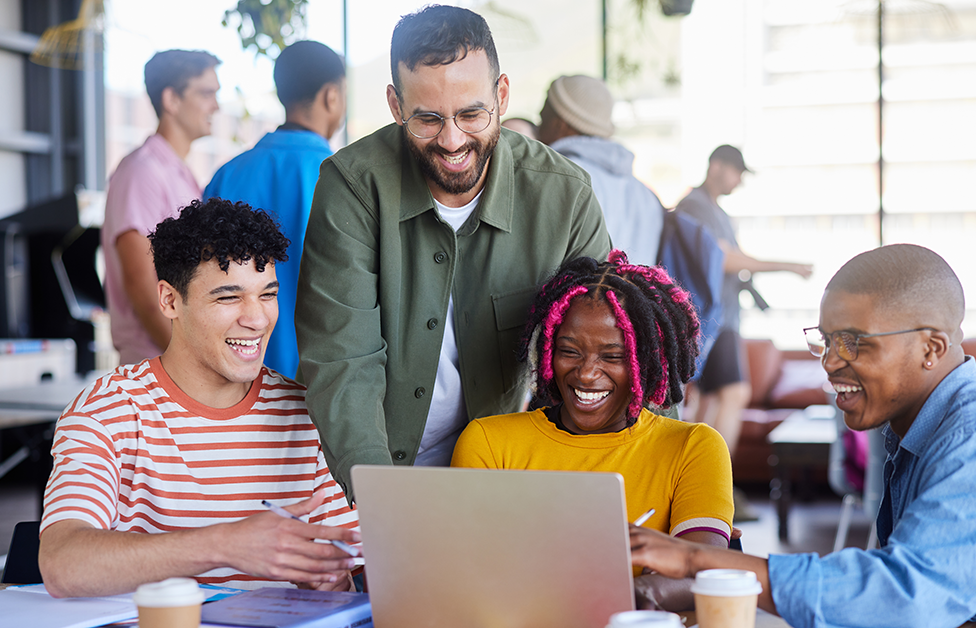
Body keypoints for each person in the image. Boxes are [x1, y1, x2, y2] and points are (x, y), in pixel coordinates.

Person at [627, 244, 976, 628]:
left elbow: (907, 598)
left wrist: (698, 559)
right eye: (825, 339)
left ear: (931, 348)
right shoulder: (915, 428)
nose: (830, 360)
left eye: (853, 342)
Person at [295, 5, 610, 502]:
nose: (452, 140)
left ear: (501, 96)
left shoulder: (564, 196)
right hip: (364, 471)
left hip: (500, 468)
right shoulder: (352, 187)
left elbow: (614, 347)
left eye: (471, 114)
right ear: (397, 105)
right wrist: (384, 504)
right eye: (426, 119)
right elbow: (342, 359)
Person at [40, 198, 359, 598]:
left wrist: (335, 581)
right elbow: (62, 564)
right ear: (170, 300)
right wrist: (224, 545)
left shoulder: (309, 414)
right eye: (228, 297)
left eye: (267, 294)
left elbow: (355, 578)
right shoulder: (106, 411)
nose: (257, 319)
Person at [451, 251, 735, 611]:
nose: (586, 374)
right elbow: (468, 571)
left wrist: (623, 596)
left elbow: (705, 571)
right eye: (569, 351)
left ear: (646, 361)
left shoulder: (694, 447)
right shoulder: (489, 442)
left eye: (612, 356)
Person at [674, 144, 812, 520]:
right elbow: (724, 259)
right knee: (733, 394)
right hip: (713, 319)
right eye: (735, 172)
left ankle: (697, 487)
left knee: (710, 402)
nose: (737, 181)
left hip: (720, 320)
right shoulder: (695, 207)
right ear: (717, 167)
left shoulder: (715, 211)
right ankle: (714, 487)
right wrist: (787, 265)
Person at [204, 40, 347, 379]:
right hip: (319, 385)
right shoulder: (343, 178)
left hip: (237, 379)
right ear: (331, 96)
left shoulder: (226, 176)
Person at [103, 49, 220, 365]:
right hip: (157, 370)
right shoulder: (142, 171)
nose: (217, 106)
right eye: (207, 93)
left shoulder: (179, 173)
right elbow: (141, 285)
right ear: (171, 100)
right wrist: (191, 366)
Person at [538, 75, 663, 267]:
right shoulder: (645, 195)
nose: (538, 119)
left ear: (560, 123)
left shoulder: (560, 177)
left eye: (543, 115)